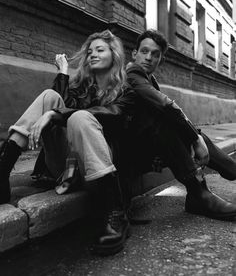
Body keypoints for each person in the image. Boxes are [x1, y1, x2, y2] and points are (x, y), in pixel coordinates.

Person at [0, 29, 135, 255]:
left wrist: (59, 115)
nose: (92, 54)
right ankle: (3, 169)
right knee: (48, 97)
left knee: (81, 116)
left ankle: (114, 211)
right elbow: (58, 103)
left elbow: (113, 115)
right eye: (89, 51)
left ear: (114, 55)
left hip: (97, 169)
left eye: (100, 50)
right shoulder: (82, 88)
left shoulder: (126, 90)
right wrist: (63, 74)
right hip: (65, 168)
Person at [124, 28, 236, 221]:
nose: (149, 57)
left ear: (161, 60)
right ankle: (198, 193)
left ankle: (221, 177)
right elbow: (166, 106)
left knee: (190, 132)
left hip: (148, 147)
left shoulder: (149, 79)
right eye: (144, 51)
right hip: (129, 155)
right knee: (170, 125)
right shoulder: (132, 73)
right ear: (134, 54)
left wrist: (196, 136)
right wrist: (194, 138)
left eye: (155, 54)